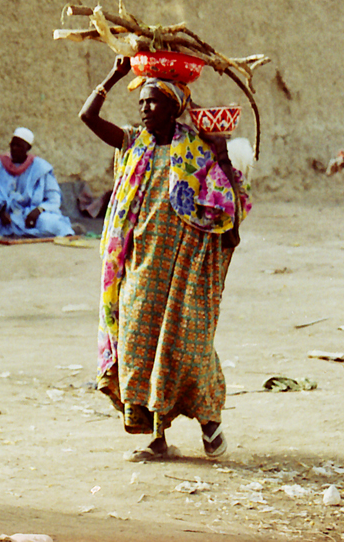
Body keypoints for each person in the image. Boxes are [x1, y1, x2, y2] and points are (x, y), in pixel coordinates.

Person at [79, 54, 251, 462]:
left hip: (183, 267)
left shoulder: (197, 149)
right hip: (139, 266)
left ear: (175, 106)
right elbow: (88, 116)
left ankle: (210, 424)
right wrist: (115, 75)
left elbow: (231, 207)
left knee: (188, 346)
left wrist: (222, 155)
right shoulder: (132, 142)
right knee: (139, 346)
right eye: (141, 102)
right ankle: (155, 437)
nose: (145, 108)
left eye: (153, 101)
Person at [0, 127, 74, 238]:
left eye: (18, 146)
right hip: (6, 217)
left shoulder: (40, 167)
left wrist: (38, 211)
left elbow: (54, 199)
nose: (14, 149)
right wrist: (1, 212)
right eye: (12, 145)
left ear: (28, 148)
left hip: (30, 216)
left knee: (52, 223)